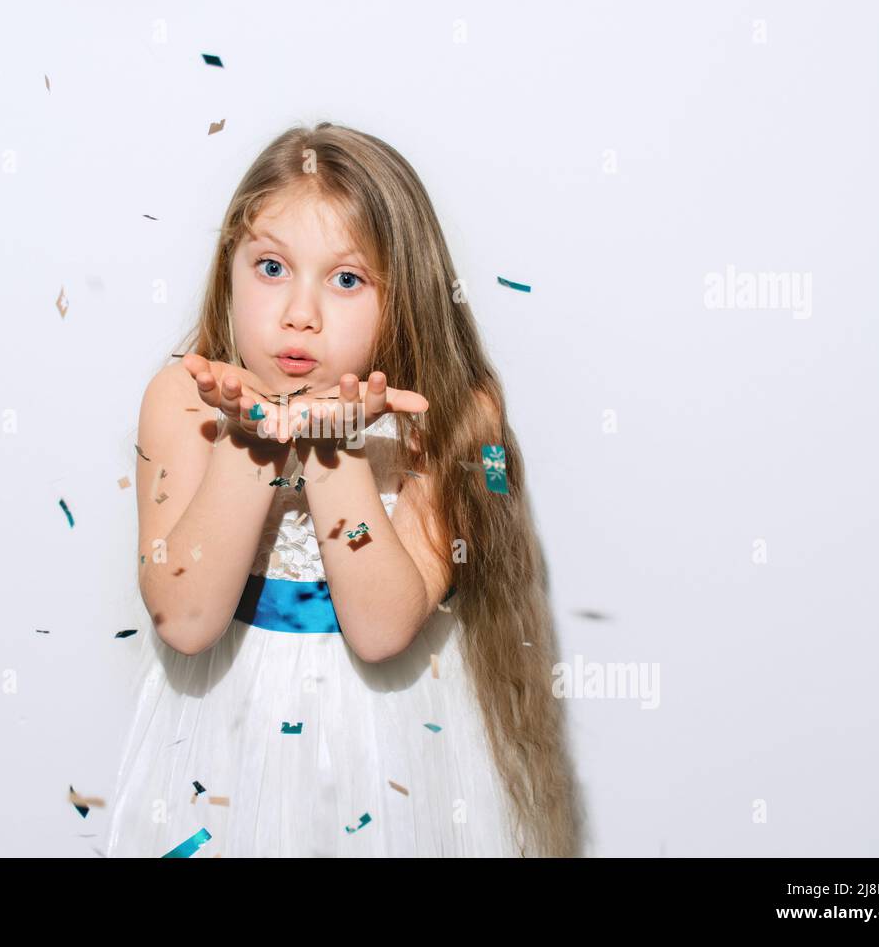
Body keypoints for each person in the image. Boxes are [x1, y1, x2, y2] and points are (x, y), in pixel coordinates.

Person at [107, 122, 584, 857]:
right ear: (227, 267)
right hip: (223, 752)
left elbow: (382, 628)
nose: (301, 312)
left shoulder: (460, 417)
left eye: (348, 278)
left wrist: (331, 442)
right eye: (271, 268)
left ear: (408, 293)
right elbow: (186, 617)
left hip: (391, 757)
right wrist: (257, 433)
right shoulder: (182, 400)